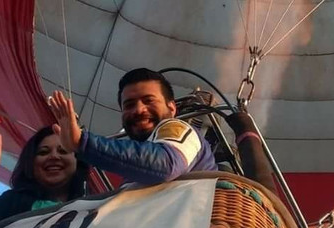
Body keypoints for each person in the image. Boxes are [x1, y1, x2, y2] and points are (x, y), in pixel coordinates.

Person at [47, 67, 217, 187]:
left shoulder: (178, 128)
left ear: (172, 108)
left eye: (149, 100)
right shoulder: (134, 170)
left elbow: (165, 164)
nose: (138, 110)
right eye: (129, 105)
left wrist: (82, 143)